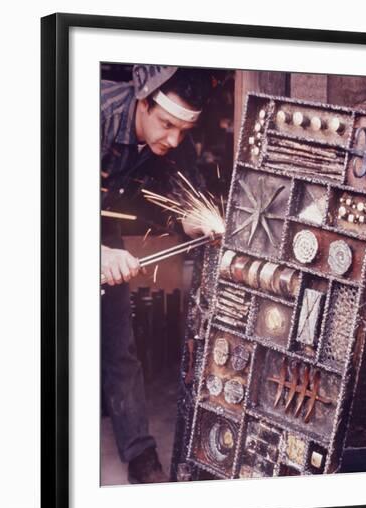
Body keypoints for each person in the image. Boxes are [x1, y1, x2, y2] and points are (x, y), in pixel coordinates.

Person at [100, 65, 213, 484]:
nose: (173, 139)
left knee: (117, 343)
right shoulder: (91, 112)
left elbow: (172, 194)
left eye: (182, 130)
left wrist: (191, 221)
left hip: (98, 218)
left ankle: (140, 455)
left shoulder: (170, 136)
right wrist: (91, 252)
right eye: (166, 124)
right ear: (142, 101)